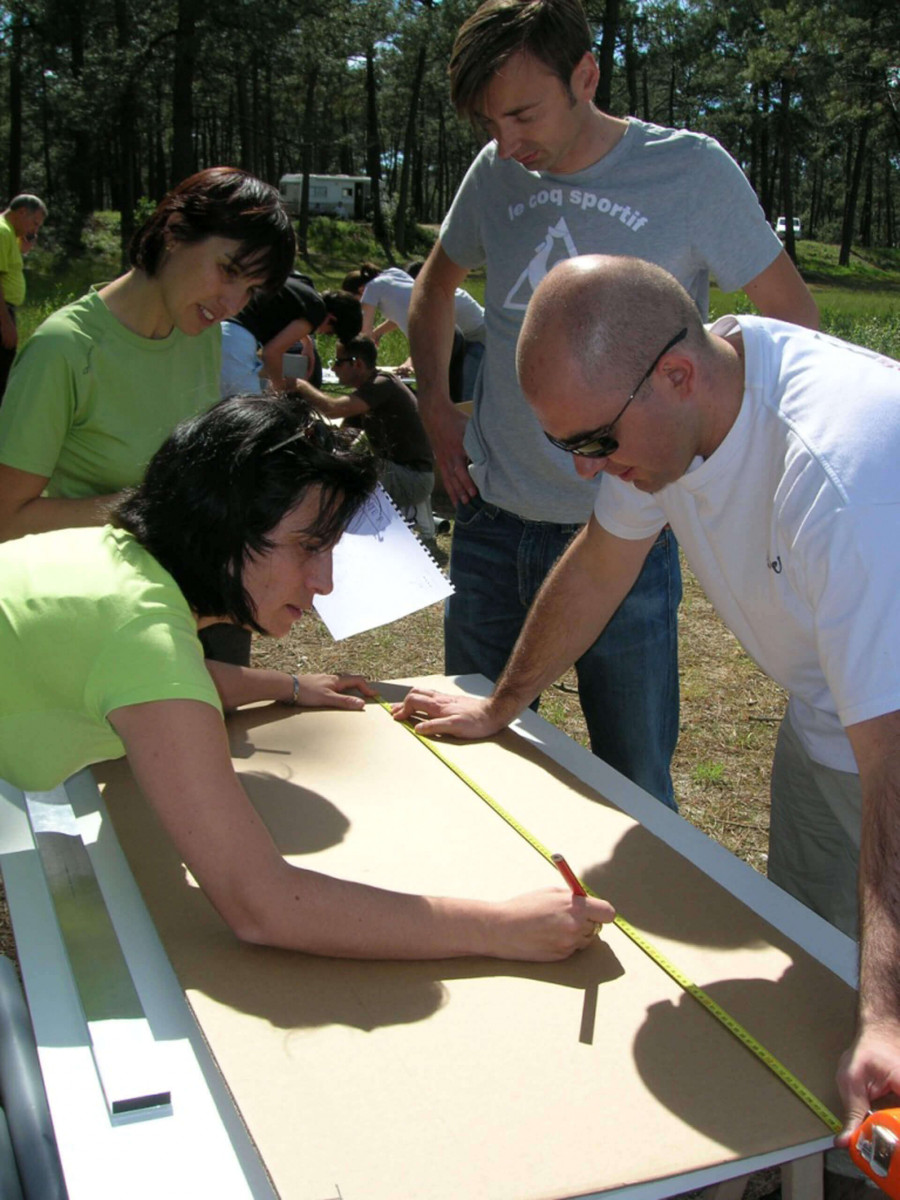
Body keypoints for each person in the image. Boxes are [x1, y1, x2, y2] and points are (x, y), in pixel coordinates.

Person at [394, 253, 900, 1148]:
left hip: (888, 748)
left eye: (591, 443)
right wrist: (502, 703)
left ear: (675, 374)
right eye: (566, 448)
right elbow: (598, 565)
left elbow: (894, 767)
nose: (588, 471)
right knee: (815, 969)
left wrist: (888, 1016)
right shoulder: (670, 420)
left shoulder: (842, 474)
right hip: (830, 722)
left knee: (884, 1009)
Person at [0, 393, 614, 962]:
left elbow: (169, 683)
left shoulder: (114, 561)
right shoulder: (141, 635)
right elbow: (260, 905)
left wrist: (290, 686)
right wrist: (500, 926)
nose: (324, 583)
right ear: (225, 524)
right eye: (307, 548)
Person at [407, 0, 820, 809]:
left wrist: (723, 460)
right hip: (492, 518)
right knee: (472, 762)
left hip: (626, 529)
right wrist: (437, 407)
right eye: (490, 122)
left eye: (523, 112)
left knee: (634, 783)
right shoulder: (497, 173)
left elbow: (794, 323)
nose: (507, 141)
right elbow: (432, 290)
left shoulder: (692, 170)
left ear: (586, 76)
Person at [0, 167, 294, 544]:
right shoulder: (65, 348)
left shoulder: (201, 336)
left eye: (252, 290)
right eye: (228, 271)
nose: (233, 304)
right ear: (174, 231)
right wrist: (145, 508)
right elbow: (6, 519)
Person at [294, 335, 436, 538]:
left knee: (349, 473)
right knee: (340, 463)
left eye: (337, 362)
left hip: (412, 478)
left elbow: (333, 409)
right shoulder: (368, 393)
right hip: (402, 473)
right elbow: (342, 439)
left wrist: (299, 385)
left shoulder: (382, 385)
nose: (333, 368)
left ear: (357, 364)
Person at [342, 261, 485, 402]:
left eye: (354, 300)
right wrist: (378, 333)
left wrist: (357, 362)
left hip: (477, 336)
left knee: (464, 399)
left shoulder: (372, 288)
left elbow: (364, 335)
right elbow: (410, 311)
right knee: (453, 395)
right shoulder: (393, 274)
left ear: (361, 290)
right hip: (469, 327)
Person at [220, 270, 362, 397]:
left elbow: (287, 310)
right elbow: (271, 353)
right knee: (247, 407)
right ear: (331, 319)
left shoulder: (303, 286)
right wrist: (278, 387)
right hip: (236, 341)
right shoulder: (317, 310)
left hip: (220, 328)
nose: (321, 332)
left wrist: (307, 343)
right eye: (329, 332)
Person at [0, 194, 47, 402]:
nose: (34, 230)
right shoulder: (2, 232)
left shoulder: (9, 233)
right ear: (21, 213)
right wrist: (5, 323)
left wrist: (24, 247)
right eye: (34, 223)